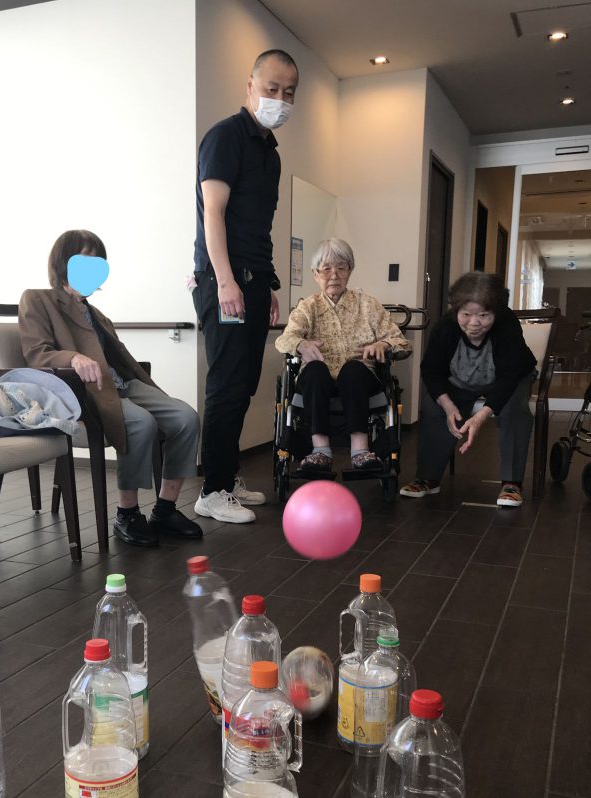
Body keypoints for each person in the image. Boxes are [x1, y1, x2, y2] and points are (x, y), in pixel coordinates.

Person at [19, 229, 203, 547]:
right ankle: (127, 514)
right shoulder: (37, 299)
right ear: (64, 262)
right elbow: (37, 353)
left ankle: (165, 509)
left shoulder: (97, 314)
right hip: (84, 392)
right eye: (85, 261)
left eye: (98, 263)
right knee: (140, 422)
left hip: (122, 383)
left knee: (186, 417)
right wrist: (73, 358)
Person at [192, 48, 299, 524]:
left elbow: (256, 227)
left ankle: (227, 476)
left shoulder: (269, 153)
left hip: (252, 281)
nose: (280, 99)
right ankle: (211, 491)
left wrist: (266, 284)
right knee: (227, 384)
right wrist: (226, 281)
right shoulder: (225, 137)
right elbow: (213, 214)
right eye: (272, 89)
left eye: (289, 93)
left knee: (244, 384)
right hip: (226, 281)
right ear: (250, 86)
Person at [400, 272, 536, 508]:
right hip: (461, 381)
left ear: (496, 311)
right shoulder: (446, 326)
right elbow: (431, 370)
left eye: (483, 315)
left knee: (514, 409)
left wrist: (481, 416)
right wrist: (447, 405)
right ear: (456, 310)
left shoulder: (507, 324)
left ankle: (512, 483)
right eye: (466, 315)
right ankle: (428, 478)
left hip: (509, 380)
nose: (474, 323)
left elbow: (510, 376)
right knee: (433, 406)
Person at [275, 238, 410, 473]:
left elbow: (402, 343)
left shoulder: (368, 305)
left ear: (350, 271)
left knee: (353, 368)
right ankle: (320, 451)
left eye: (341, 268)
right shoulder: (308, 307)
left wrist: (383, 344)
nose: (334, 275)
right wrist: (301, 344)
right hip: (317, 381)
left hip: (359, 379)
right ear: (315, 274)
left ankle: (360, 450)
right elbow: (284, 340)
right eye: (326, 269)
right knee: (315, 369)